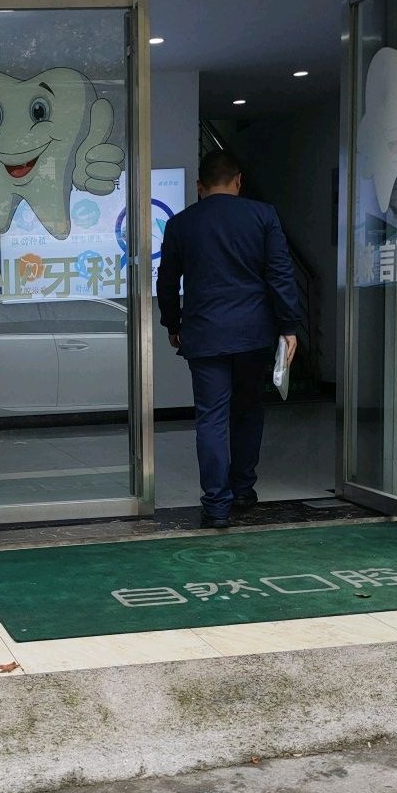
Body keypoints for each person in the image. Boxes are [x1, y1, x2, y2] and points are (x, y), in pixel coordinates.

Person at [157, 149, 300, 529]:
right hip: (254, 334)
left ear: (200, 186)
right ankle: (242, 489)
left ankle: (216, 505)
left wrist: (173, 323)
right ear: (238, 181)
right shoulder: (263, 216)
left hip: (204, 334)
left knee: (211, 418)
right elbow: (280, 274)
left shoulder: (182, 224)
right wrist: (288, 326)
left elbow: (167, 281)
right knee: (249, 411)